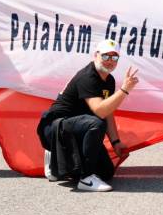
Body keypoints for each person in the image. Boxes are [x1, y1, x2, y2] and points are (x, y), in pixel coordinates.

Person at [36, 39, 139, 192]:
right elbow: (100, 111)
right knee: (96, 123)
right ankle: (86, 178)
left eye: (114, 57)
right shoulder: (88, 76)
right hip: (55, 127)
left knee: (106, 172)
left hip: (75, 127)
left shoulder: (108, 80)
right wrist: (124, 90)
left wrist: (116, 142)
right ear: (96, 55)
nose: (110, 61)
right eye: (105, 56)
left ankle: (56, 161)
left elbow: (108, 112)